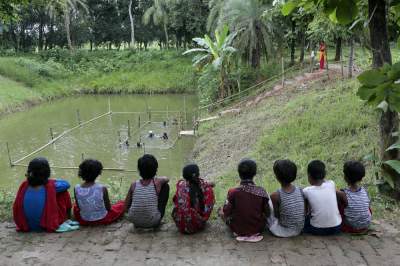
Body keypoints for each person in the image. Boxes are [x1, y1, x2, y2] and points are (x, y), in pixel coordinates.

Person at [13, 157, 72, 232]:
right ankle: (67, 218)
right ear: (47, 172)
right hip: (45, 225)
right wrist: (52, 181)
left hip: (26, 225)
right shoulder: (51, 186)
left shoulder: (24, 185)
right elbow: (67, 184)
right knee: (63, 192)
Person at [219, 159, 270, 242]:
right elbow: (267, 213)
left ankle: (237, 230)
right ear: (255, 173)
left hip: (238, 229)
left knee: (221, 211)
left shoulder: (233, 192)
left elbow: (226, 212)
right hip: (258, 228)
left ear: (239, 173)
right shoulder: (261, 191)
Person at [73, 159, 125, 226]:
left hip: (83, 219)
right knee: (121, 204)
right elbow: (108, 208)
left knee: (75, 206)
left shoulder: (76, 188)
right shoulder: (102, 188)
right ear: (98, 173)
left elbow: (79, 207)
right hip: (102, 219)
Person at [125, 154, 170, 228]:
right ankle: (157, 218)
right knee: (166, 186)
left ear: (139, 170)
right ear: (156, 169)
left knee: (134, 193)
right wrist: (158, 179)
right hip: (153, 222)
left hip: (133, 220)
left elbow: (125, 207)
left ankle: (138, 216)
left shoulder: (134, 184)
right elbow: (167, 179)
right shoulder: (157, 182)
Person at [172, 164, 215, 234]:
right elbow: (212, 184)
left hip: (181, 225)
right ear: (198, 174)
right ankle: (202, 219)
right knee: (209, 191)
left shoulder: (180, 184)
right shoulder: (205, 186)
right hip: (197, 225)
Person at [267, 160, 305, 237]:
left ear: (277, 177)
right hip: (300, 229)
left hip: (284, 231)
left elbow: (277, 215)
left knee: (268, 208)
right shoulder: (300, 190)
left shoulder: (275, 195)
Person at [303, 160, 342, 235]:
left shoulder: (306, 191)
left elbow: (305, 212)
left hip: (317, 229)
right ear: (324, 174)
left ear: (309, 176)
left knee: (306, 220)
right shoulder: (331, 184)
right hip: (336, 227)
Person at [336, 161, 371, 233]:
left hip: (351, 227)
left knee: (339, 205)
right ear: (361, 178)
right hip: (366, 225)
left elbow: (332, 191)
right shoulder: (364, 191)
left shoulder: (343, 194)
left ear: (345, 177)